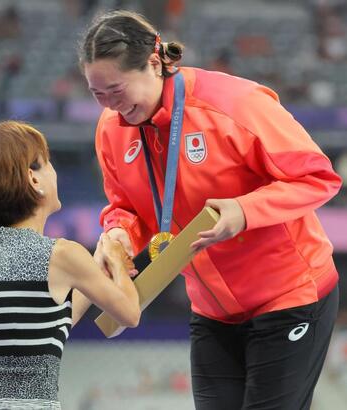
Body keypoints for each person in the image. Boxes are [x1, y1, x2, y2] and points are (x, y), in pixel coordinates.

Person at [78, 10, 343, 410]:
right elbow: (125, 208)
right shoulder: (111, 129)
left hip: (290, 297)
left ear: (154, 63)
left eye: (116, 90)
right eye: (98, 95)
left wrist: (244, 210)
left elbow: (319, 178)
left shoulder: (235, 104)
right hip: (212, 310)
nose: (112, 107)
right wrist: (118, 234)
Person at [0, 121, 140, 409]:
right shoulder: (61, 255)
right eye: (47, 163)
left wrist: (91, 272)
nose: (54, 171)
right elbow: (130, 313)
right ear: (33, 179)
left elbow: (48, 325)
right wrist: (113, 259)